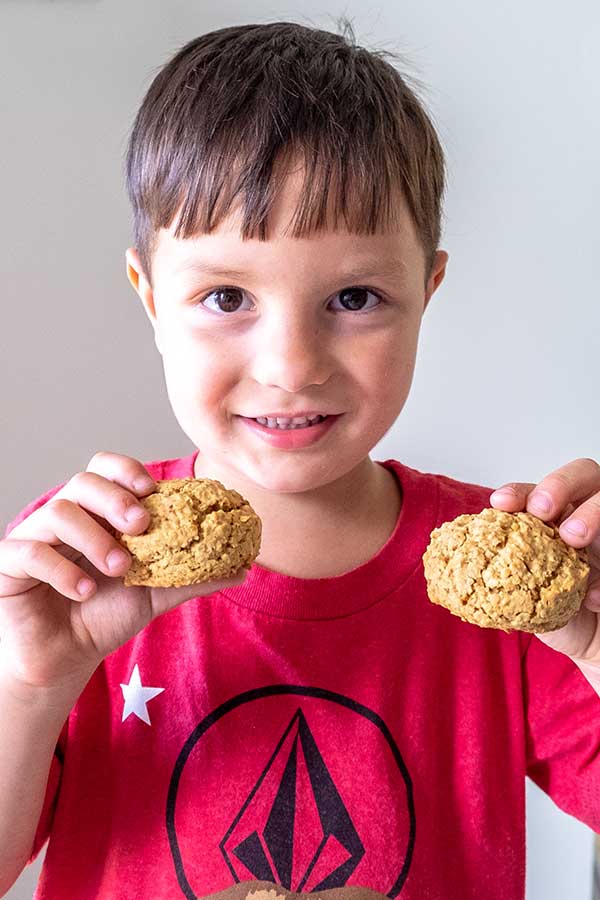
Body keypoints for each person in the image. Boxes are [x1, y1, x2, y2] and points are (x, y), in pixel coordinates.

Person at [0, 19, 598, 900]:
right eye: (226, 296)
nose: (291, 365)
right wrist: (29, 685)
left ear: (426, 292)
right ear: (151, 298)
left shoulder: (532, 600)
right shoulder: (78, 563)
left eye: (355, 297)